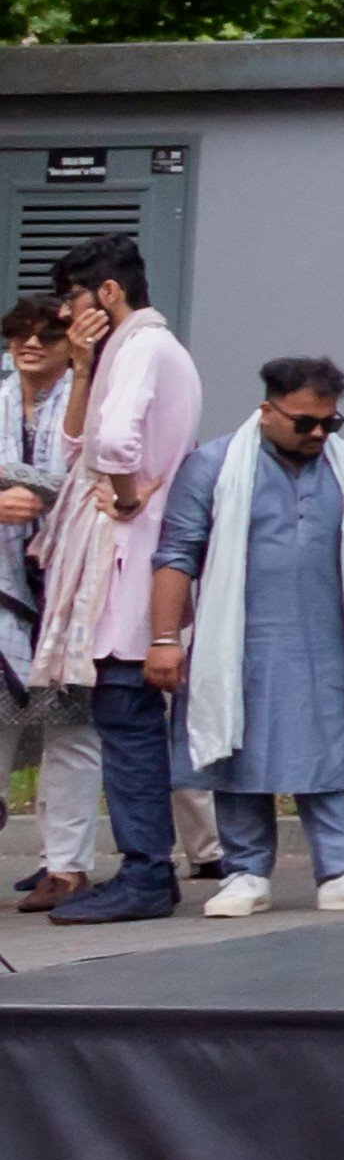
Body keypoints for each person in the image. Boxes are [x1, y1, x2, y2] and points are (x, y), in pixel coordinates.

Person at [149, 359, 344, 917]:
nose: (319, 433)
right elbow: (176, 554)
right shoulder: (213, 467)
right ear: (267, 410)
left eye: (330, 422)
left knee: (329, 747)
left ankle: (342, 870)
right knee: (235, 748)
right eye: (305, 422)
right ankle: (245, 873)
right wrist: (163, 638)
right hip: (239, 642)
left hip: (328, 638)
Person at [40, 236, 201, 925]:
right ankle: (145, 867)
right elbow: (72, 448)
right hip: (125, 556)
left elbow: (111, 445)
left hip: (130, 554)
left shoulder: (143, 346)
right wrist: (80, 368)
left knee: (128, 717)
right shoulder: (126, 350)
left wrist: (129, 496)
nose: (64, 312)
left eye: (72, 297)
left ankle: (146, 871)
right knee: (121, 716)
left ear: (107, 293)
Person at [3, 299, 106, 911]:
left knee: (73, 728)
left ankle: (66, 868)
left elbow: (98, 474)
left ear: (70, 345)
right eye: (19, 333)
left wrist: (21, 483)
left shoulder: (91, 396)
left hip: (74, 584)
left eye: (46, 335)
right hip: (4, 586)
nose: (31, 343)